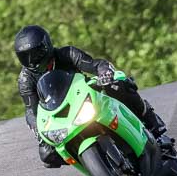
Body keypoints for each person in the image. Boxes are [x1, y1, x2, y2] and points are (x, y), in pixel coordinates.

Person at [15, 25, 168, 168]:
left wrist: (105, 72)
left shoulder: (67, 54)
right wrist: (39, 132)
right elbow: (31, 110)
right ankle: (96, 167)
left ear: (46, 46)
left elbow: (95, 64)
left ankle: (155, 128)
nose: (32, 61)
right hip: (63, 114)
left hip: (88, 96)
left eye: (36, 54)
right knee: (47, 155)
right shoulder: (25, 80)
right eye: (25, 57)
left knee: (118, 84)